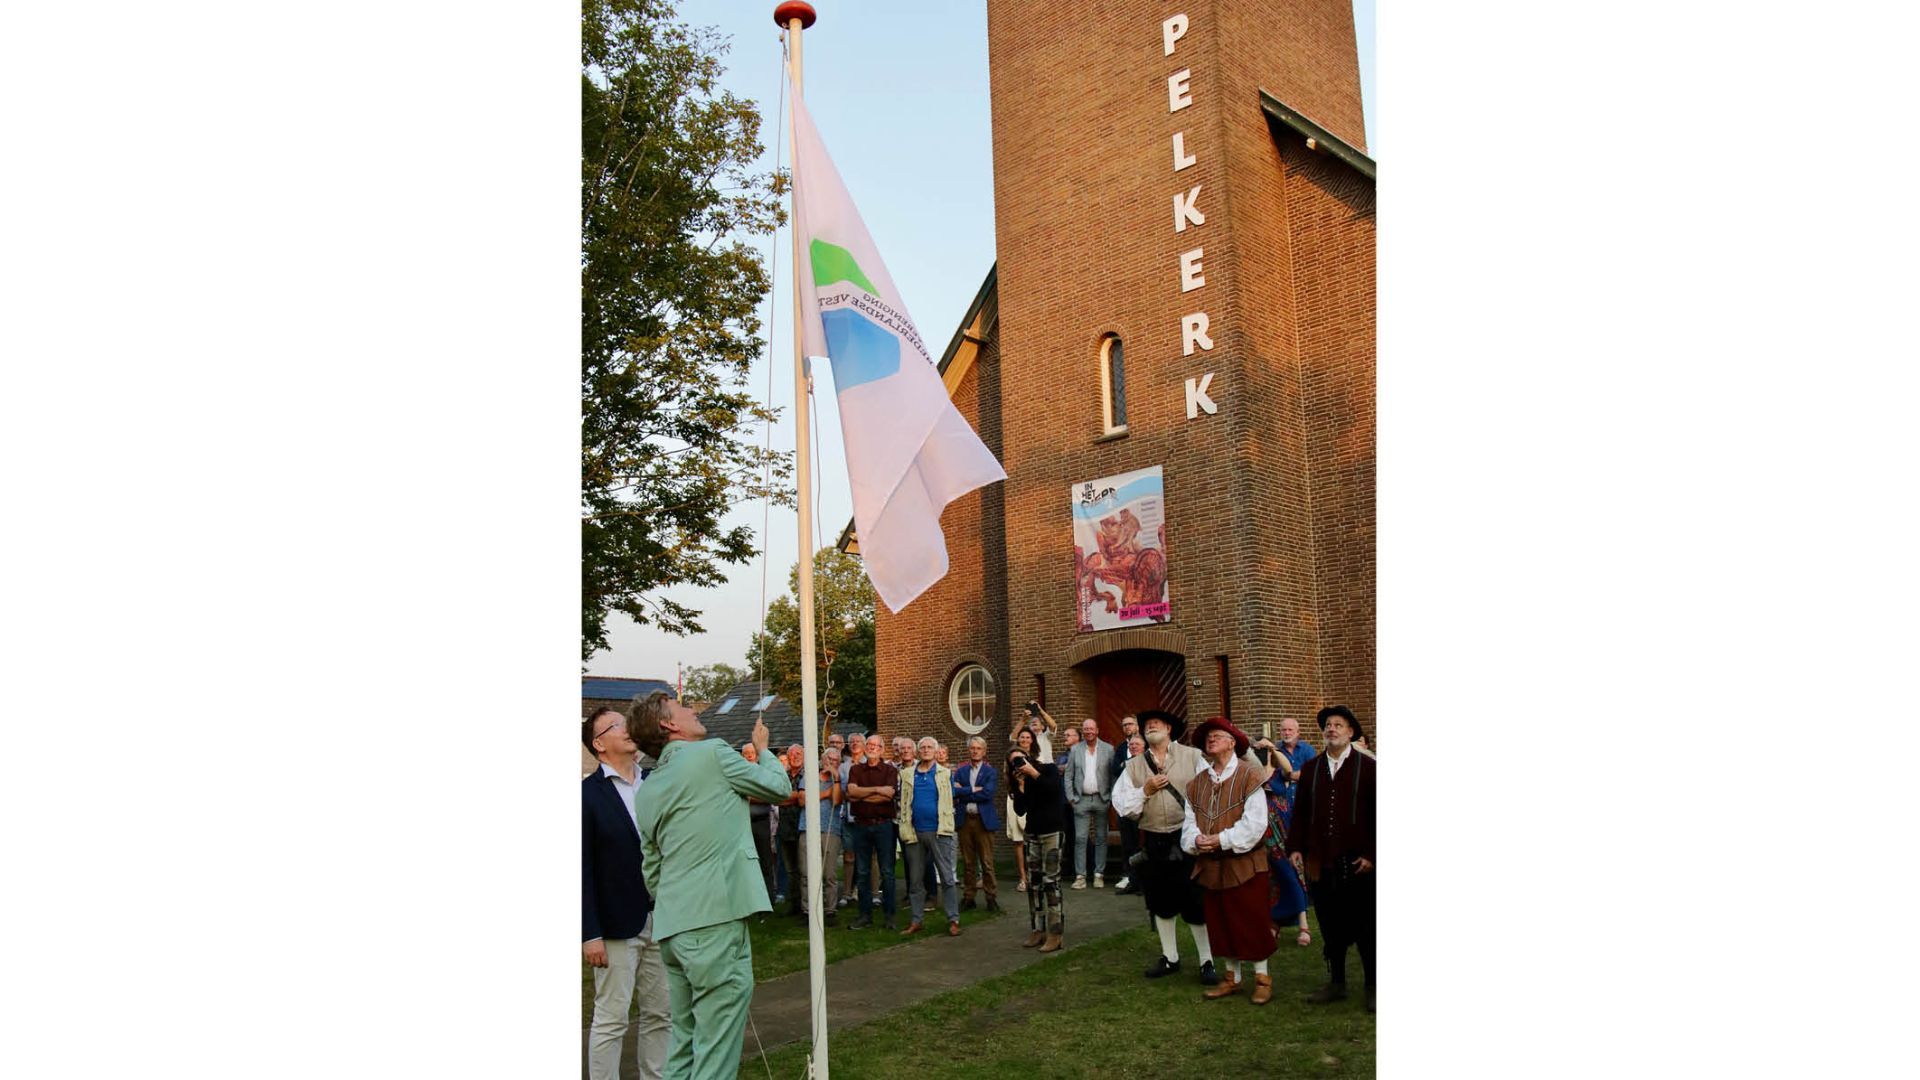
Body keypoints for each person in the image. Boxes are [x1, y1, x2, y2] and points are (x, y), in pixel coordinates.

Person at [630, 691, 793, 1079]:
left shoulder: (648, 789)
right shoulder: (713, 754)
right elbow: (778, 788)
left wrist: (677, 898)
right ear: (668, 724)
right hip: (714, 922)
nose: (694, 710)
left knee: (683, 1046)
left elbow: (651, 867)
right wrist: (763, 749)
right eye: (684, 707)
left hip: (672, 928)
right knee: (715, 1053)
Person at [582, 707, 671, 1080]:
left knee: (661, 1013)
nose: (629, 728)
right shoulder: (586, 796)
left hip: (663, 917)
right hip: (616, 923)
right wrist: (589, 933)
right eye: (619, 724)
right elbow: (579, 868)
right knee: (612, 1017)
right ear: (599, 744)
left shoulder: (655, 782)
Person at [1110, 710, 1218, 986]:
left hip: (1187, 838)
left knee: (1194, 900)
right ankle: (1170, 957)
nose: (1151, 727)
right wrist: (1144, 790)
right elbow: (1122, 805)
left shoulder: (1193, 757)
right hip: (1154, 841)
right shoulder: (1134, 766)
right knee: (1160, 902)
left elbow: (1210, 793)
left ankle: (1207, 961)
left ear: (1169, 729)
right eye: (1147, 725)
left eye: (1156, 723)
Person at [1287, 705, 1377, 1012]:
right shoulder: (1311, 769)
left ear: (1351, 732)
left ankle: (1373, 986)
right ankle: (1336, 982)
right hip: (1321, 862)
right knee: (1330, 925)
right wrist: (1296, 847)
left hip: (1360, 864)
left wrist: (1372, 854)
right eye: (1328, 725)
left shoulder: (1369, 768)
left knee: (1368, 927)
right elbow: (1300, 813)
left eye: (1339, 725)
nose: (1332, 729)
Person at [1183, 716, 1277, 1006]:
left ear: (1232, 742)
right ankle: (1231, 978)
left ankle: (1262, 978)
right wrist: (1196, 841)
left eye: (1217, 735)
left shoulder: (1250, 775)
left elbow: (1256, 823)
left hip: (1245, 864)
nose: (1211, 739)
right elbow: (1188, 823)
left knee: (1251, 920)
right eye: (1208, 736)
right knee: (1221, 922)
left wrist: (1221, 840)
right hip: (1211, 865)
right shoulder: (1197, 783)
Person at [1253, 728, 1314, 948]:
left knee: (1292, 872)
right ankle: (1275, 921)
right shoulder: (1253, 772)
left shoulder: (1279, 772)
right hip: (1264, 829)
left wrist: (1272, 748)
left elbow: (1289, 769)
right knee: (1272, 877)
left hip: (1284, 825)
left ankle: (1303, 923)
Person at [896, 736, 962, 937]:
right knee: (915, 880)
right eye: (922, 747)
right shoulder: (907, 774)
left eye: (929, 747)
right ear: (917, 752)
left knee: (947, 878)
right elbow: (903, 802)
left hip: (939, 831)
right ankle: (917, 920)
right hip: (914, 832)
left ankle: (953, 919)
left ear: (936, 750)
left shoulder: (945, 773)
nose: (925, 750)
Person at [1008, 727, 1067, 952]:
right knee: (1034, 884)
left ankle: (1055, 933)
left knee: (1052, 882)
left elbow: (1054, 792)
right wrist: (1021, 786)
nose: (1018, 764)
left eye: (1020, 759)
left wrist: (1033, 774)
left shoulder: (1048, 770)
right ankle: (1037, 929)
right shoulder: (1019, 780)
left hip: (1052, 832)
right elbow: (1021, 810)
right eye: (1014, 761)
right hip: (1032, 833)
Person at [844, 730, 901, 930]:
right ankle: (864, 915)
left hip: (883, 825)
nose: (872, 749)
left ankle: (889, 916)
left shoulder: (890, 771)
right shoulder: (856, 770)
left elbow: (889, 796)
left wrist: (862, 795)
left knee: (887, 871)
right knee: (862, 871)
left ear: (882, 749)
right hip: (861, 825)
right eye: (869, 746)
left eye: (876, 746)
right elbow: (851, 792)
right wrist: (877, 789)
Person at [794, 745, 843, 926]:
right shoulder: (809, 777)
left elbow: (837, 800)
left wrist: (836, 779)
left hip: (831, 830)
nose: (831, 762)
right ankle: (807, 910)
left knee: (829, 873)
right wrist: (824, 794)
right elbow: (801, 800)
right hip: (807, 828)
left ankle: (830, 910)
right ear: (822, 760)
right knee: (806, 872)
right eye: (828, 759)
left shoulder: (839, 779)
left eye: (835, 760)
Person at [951, 735, 1001, 912]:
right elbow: (954, 792)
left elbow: (987, 794)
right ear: (968, 750)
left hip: (982, 820)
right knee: (968, 862)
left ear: (984, 751)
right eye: (972, 748)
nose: (975, 751)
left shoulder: (990, 772)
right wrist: (972, 789)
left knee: (986, 862)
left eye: (978, 748)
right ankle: (969, 897)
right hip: (965, 820)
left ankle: (991, 897)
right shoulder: (961, 771)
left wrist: (964, 792)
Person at [1066, 718, 1115, 889]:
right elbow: (1068, 775)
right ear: (1083, 731)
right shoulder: (1075, 750)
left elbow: (1113, 775)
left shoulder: (1109, 750)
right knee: (1080, 838)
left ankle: (1098, 874)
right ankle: (1080, 876)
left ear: (1097, 730)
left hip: (1102, 799)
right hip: (1081, 800)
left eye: (1091, 729)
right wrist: (1071, 798)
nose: (1088, 732)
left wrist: (1111, 797)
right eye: (1085, 729)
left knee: (1101, 838)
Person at [740, 742, 780, 911]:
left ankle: (769, 899)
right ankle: (750, 901)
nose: (749, 755)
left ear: (757, 755)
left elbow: (768, 796)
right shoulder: (739, 774)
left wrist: (749, 796)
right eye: (746, 753)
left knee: (765, 861)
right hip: (743, 824)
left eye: (752, 753)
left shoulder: (763, 773)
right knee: (746, 863)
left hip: (761, 821)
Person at [1110, 716, 1141, 893]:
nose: (1127, 727)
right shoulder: (1122, 747)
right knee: (1127, 843)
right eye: (1124, 725)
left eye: (1129, 724)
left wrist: (1127, 764)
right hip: (1124, 804)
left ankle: (1141, 880)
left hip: (1141, 806)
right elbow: (1115, 768)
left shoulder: (1145, 748)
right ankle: (1129, 876)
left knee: (1140, 844)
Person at [775, 743, 806, 917]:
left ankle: (805, 905)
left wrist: (788, 797)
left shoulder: (807, 774)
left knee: (804, 868)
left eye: (798, 754)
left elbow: (803, 798)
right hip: (785, 828)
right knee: (790, 869)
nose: (795, 757)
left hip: (802, 827)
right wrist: (792, 797)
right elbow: (775, 796)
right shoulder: (783, 775)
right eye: (792, 754)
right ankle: (794, 904)